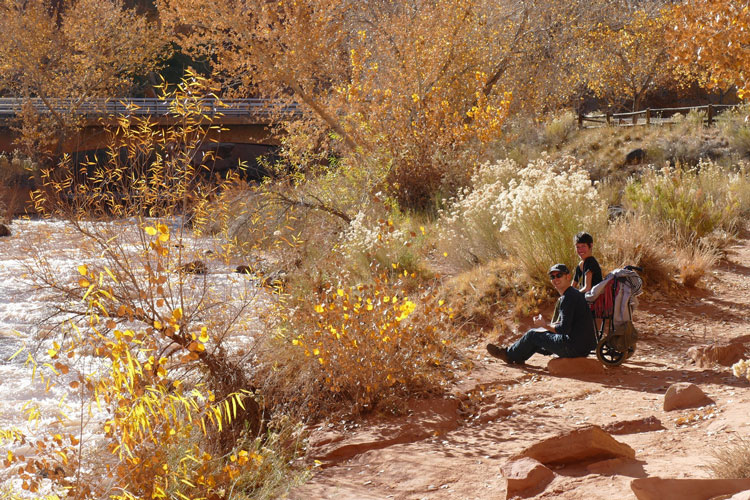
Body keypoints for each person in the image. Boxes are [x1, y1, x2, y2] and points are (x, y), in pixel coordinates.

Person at [486, 263, 597, 364]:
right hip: (583, 348)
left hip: (573, 349)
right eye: (552, 277)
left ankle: (508, 355)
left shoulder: (567, 298)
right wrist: (546, 327)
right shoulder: (574, 294)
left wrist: (544, 325)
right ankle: (517, 356)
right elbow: (571, 324)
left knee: (533, 334)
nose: (555, 279)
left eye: (559, 275)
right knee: (539, 335)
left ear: (568, 277)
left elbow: (563, 329)